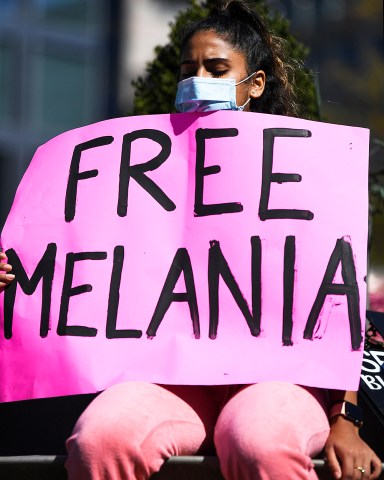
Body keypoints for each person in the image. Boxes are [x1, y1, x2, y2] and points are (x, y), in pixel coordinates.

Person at [0, 1, 381, 479]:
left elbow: (337, 299)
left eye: (216, 68)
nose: (197, 78)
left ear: (256, 84)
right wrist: (21, 274)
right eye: (189, 68)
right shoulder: (142, 173)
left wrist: (346, 420)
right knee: (100, 441)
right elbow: (88, 259)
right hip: (173, 374)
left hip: (278, 372)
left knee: (260, 442)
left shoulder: (309, 170)